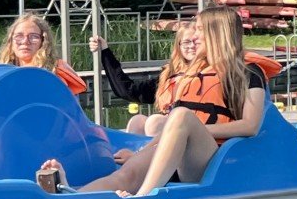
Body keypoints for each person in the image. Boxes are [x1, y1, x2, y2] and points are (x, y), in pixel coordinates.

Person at [37, 5, 267, 196]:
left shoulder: (248, 72)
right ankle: (70, 196)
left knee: (180, 116)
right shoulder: (191, 73)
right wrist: (140, 154)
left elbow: (250, 126)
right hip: (173, 146)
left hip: (211, 159)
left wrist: (192, 130)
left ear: (217, 32)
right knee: (125, 175)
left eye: (199, 30)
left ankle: (143, 197)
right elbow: (167, 124)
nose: (194, 36)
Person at [91, 20, 279, 137]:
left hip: (200, 137)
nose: (192, 46)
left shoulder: (228, 72)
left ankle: (149, 170)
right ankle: (138, 166)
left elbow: (249, 117)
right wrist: (105, 53)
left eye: (196, 41)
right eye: (186, 42)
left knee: (155, 122)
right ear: (178, 46)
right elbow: (127, 90)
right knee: (138, 121)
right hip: (172, 133)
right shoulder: (170, 76)